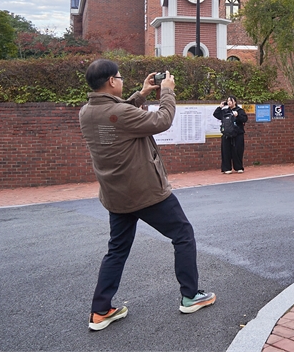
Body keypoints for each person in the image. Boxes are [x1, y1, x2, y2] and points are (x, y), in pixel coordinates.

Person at [79, 60, 216, 331]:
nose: (121, 81)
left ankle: (101, 310)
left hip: (116, 195)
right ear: (111, 81)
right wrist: (167, 91)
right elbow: (162, 120)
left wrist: (141, 94)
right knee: (183, 234)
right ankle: (190, 295)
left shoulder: (87, 112)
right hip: (146, 192)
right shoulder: (119, 113)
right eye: (119, 77)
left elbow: (118, 116)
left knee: (116, 250)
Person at [213, 96, 248, 174]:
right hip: (226, 134)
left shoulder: (240, 110)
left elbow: (245, 119)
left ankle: (238, 167)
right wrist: (220, 107)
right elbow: (216, 114)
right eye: (228, 101)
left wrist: (237, 116)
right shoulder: (225, 111)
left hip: (237, 134)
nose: (229, 102)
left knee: (237, 151)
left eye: (230, 101)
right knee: (226, 152)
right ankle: (226, 168)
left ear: (234, 102)